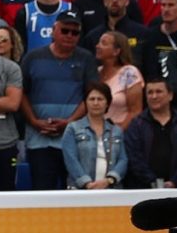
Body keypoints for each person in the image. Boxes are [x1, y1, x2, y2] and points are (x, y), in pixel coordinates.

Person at [21, 14, 97, 190]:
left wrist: (69, 123)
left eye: (75, 32)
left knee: (75, 191)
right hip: (39, 139)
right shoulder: (32, 57)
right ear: (53, 30)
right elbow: (22, 93)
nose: (70, 35)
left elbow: (91, 95)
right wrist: (33, 121)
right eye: (65, 30)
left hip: (75, 137)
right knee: (42, 192)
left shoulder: (86, 58)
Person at [125, 75, 177, 188]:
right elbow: (134, 158)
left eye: (159, 92)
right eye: (150, 92)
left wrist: (175, 181)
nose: (154, 96)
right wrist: (153, 182)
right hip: (143, 190)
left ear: (170, 95)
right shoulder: (137, 125)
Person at [62, 83, 128, 189]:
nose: (96, 103)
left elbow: (123, 160)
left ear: (107, 103)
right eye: (92, 99)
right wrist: (86, 183)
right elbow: (71, 159)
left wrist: (109, 180)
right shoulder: (73, 128)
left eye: (100, 99)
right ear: (85, 102)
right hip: (80, 191)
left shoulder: (116, 131)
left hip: (111, 189)